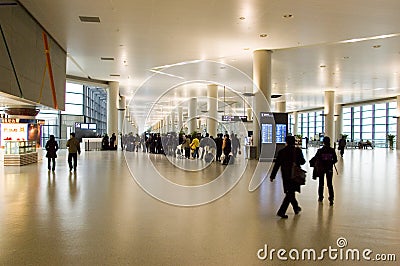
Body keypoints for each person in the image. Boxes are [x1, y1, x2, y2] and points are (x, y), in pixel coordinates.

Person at [270, 135, 306, 218]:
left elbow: (277, 164)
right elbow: (303, 162)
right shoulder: (297, 151)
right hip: (295, 174)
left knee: (290, 191)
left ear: (286, 142)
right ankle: (281, 211)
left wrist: (273, 176)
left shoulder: (282, 152)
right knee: (290, 192)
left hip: (285, 175)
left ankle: (296, 208)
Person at [312, 136, 338, 206]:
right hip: (329, 169)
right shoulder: (332, 150)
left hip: (321, 169)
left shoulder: (320, 150)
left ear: (323, 142)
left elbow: (315, 158)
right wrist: (330, 162)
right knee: (330, 184)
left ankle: (320, 197)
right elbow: (335, 160)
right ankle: (331, 199)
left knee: (321, 183)